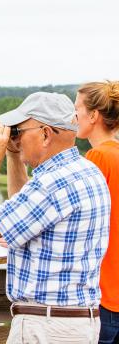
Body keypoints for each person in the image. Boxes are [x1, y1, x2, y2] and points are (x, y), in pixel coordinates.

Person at [0, 92, 110, 344]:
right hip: (77, 324)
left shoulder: (52, 183)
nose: (16, 138)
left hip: (46, 328)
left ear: (45, 134)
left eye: (19, 131)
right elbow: (24, 212)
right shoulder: (85, 171)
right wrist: (14, 155)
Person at [75, 81, 119, 344]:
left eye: (77, 108)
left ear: (94, 115)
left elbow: (78, 219)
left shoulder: (98, 158)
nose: (74, 115)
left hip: (106, 296)